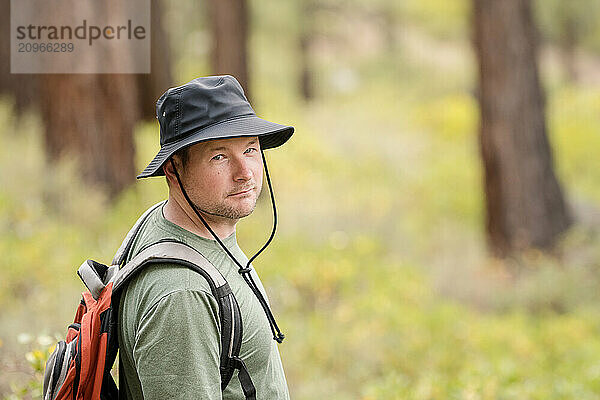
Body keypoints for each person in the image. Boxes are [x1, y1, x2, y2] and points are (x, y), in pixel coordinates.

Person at [118, 75, 294, 399]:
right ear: (173, 168)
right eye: (219, 156)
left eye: (251, 149)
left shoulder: (174, 223)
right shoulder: (181, 295)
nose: (245, 172)